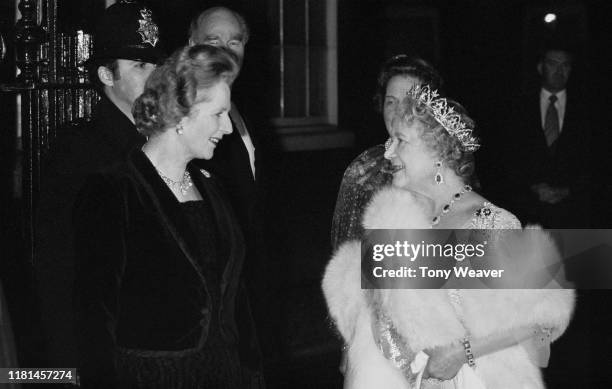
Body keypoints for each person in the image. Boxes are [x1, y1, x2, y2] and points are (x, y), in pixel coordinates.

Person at [323, 85, 574, 388]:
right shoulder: (400, 217)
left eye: (400, 140)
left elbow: (545, 323)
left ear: (437, 155)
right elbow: (374, 308)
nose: (387, 152)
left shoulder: (490, 224)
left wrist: (462, 352)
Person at [73, 44, 264, 388]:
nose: (229, 128)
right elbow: (93, 321)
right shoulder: (113, 191)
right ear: (181, 113)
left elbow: (239, 303)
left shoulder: (213, 189)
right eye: (218, 114)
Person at [34, 0, 164, 368]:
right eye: (140, 65)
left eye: (157, 64)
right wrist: (70, 366)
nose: (155, 76)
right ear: (107, 75)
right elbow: (61, 270)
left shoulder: (164, 140)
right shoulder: (81, 153)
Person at [331, 54, 442, 251]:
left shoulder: (447, 166)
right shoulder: (363, 170)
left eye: (410, 102)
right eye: (391, 102)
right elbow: (346, 253)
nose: (399, 112)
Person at [188, 7, 265, 286]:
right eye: (213, 41)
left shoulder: (244, 110)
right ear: (191, 46)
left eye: (234, 42)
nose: (226, 51)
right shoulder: (184, 119)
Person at [505, 45, 590, 228]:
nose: (559, 71)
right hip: (527, 212)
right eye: (553, 64)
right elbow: (507, 157)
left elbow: (595, 161)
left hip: (574, 216)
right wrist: (532, 187)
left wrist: (568, 190)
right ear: (540, 67)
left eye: (565, 65)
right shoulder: (518, 108)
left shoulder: (587, 111)